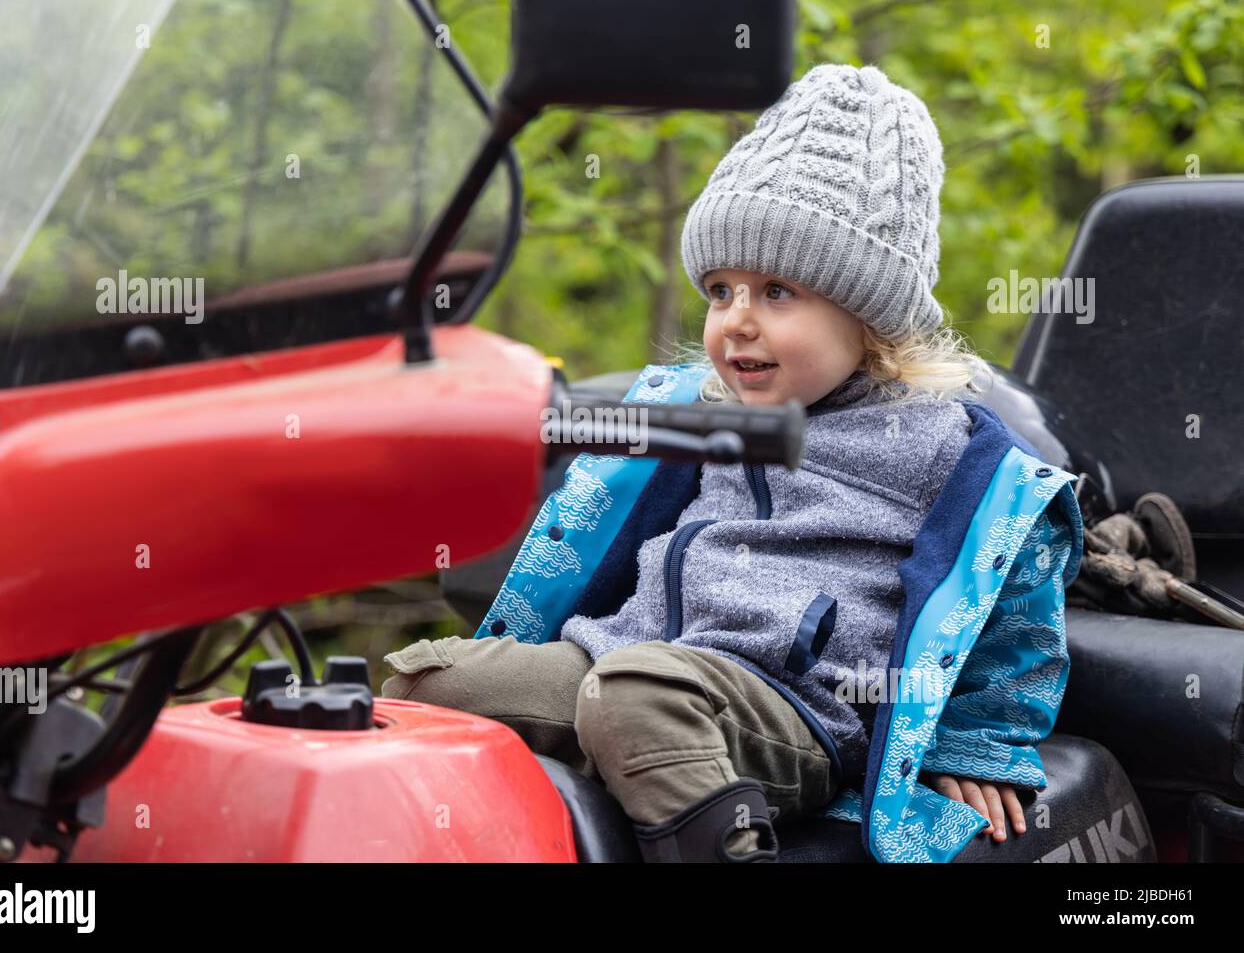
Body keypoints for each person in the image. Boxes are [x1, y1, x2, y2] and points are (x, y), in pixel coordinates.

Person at [381, 63, 1078, 862]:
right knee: (423, 685)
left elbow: (1014, 591)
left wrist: (973, 743)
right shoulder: (693, 411)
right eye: (720, 290)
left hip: (790, 709)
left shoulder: (935, 442)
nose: (736, 321)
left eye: (777, 291)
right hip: (619, 660)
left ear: (869, 311)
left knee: (637, 696)